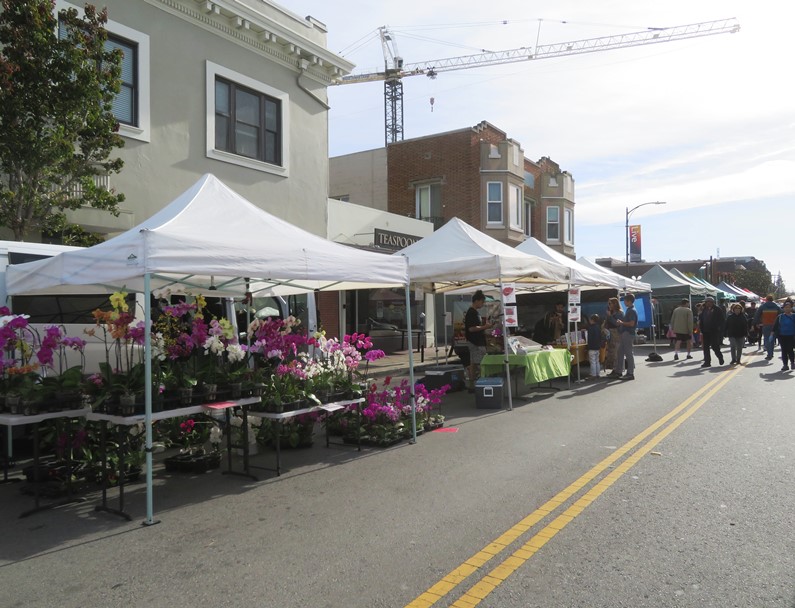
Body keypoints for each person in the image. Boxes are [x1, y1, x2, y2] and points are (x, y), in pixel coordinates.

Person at [464, 290, 493, 391]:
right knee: (481, 363)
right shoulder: (471, 313)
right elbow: (471, 328)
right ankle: (481, 384)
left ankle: (473, 385)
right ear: (476, 301)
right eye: (482, 302)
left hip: (475, 341)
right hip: (475, 342)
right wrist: (485, 327)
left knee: (473, 363)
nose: (483, 304)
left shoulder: (474, 312)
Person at [608, 293, 637, 381]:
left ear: (628, 301)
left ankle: (630, 373)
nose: (623, 302)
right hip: (625, 333)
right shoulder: (629, 310)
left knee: (628, 353)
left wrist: (621, 323)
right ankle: (618, 371)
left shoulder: (632, 311)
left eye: (624, 300)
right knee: (620, 352)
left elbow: (632, 323)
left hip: (628, 333)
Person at [698, 296, 726, 368]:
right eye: (706, 302)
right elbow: (701, 319)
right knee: (706, 347)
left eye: (708, 302)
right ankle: (707, 362)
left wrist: (719, 328)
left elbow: (722, 320)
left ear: (712, 302)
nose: (707, 303)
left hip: (714, 331)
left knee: (715, 346)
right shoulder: (704, 309)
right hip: (705, 331)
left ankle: (720, 357)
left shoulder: (717, 309)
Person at [754, 295, 781, 360]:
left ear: (766, 299)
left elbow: (757, 315)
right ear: (772, 299)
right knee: (772, 340)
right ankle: (771, 353)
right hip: (774, 325)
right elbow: (781, 314)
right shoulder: (777, 306)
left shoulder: (762, 306)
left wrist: (756, 323)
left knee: (766, 339)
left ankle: (769, 354)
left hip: (766, 325)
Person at [772, 300, 795, 371]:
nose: (787, 308)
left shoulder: (794, 316)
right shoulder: (780, 317)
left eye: (789, 307)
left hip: (791, 336)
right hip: (782, 336)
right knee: (784, 350)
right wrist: (772, 334)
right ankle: (785, 365)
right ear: (783, 308)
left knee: (790, 349)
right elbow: (775, 326)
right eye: (786, 307)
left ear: (791, 308)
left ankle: (792, 363)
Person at [603, 297, 623, 371]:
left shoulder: (619, 313)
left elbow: (616, 323)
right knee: (610, 351)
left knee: (615, 351)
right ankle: (612, 368)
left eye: (610, 304)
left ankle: (616, 369)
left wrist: (610, 316)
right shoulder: (610, 312)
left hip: (616, 333)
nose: (609, 305)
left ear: (615, 304)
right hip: (609, 333)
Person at [586, 313, 604, 379]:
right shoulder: (598, 327)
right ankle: (597, 373)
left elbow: (590, 338)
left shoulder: (591, 328)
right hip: (597, 346)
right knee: (597, 361)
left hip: (592, 346)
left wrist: (588, 346)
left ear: (592, 320)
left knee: (592, 361)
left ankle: (593, 374)